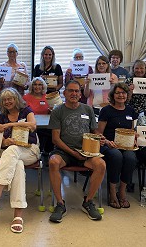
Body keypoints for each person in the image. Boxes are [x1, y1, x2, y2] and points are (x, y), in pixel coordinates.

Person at [0, 88, 40, 233]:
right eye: (4, 100)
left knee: (13, 152)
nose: (7, 102)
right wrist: (6, 141)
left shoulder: (26, 111)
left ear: (16, 99)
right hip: (12, 156)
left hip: (30, 151)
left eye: (10, 98)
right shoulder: (1, 117)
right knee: (16, 162)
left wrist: (10, 125)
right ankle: (18, 215)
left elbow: (32, 125)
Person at [48, 80, 105, 223]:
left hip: (86, 152)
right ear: (65, 93)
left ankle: (88, 201)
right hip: (64, 151)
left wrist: (101, 138)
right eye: (71, 91)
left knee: (101, 165)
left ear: (81, 94)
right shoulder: (57, 111)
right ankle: (60, 204)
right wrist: (73, 153)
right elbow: (55, 139)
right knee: (53, 162)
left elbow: (94, 131)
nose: (74, 93)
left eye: (77, 91)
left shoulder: (88, 109)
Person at [97, 83, 138, 209]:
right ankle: (112, 192)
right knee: (116, 156)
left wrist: (134, 138)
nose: (121, 95)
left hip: (125, 146)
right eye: (118, 93)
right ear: (113, 95)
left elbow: (131, 130)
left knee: (131, 158)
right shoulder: (106, 111)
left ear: (127, 95)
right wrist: (108, 142)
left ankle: (122, 191)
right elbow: (99, 133)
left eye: (123, 93)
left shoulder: (131, 110)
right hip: (108, 144)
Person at [23, 77, 53, 155]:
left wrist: (51, 110)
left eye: (40, 84)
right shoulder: (26, 97)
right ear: (31, 86)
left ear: (43, 86)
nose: (37, 87)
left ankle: (46, 152)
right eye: (35, 84)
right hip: (31, 125)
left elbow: (52, 112)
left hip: (45, 126)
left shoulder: (48, 97)